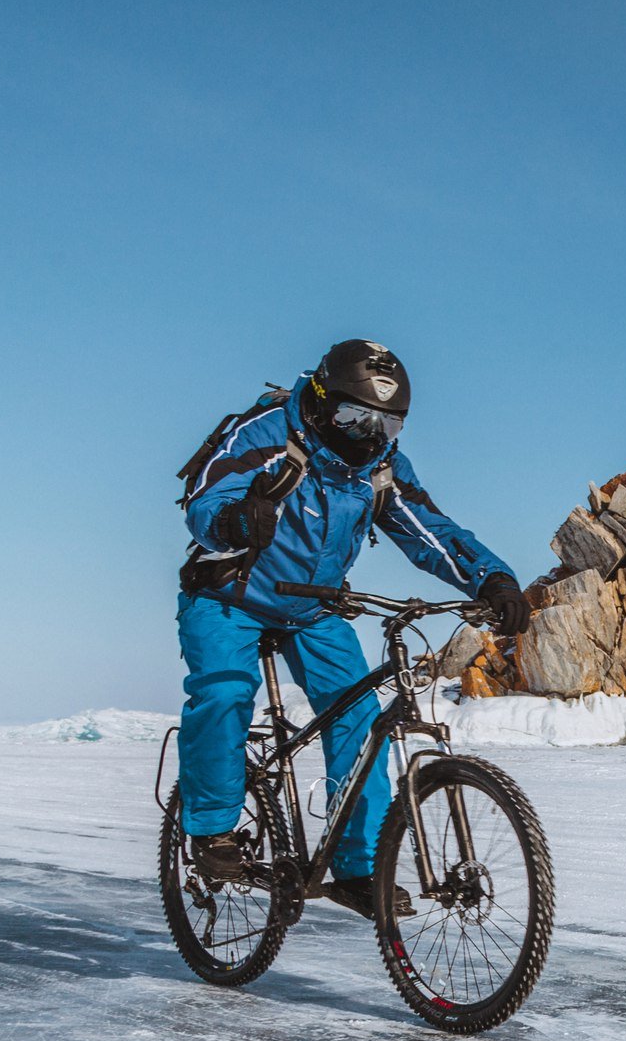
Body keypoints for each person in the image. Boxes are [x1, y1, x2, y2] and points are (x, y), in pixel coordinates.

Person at [173, 339, 531, 915]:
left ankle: (357, 868)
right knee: (224, 691)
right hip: (228, 594)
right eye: (354, 417)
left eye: (385, 425)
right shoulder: (268, 432)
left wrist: (491, 579)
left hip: (312, 608)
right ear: (319, 400)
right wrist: (236, 518)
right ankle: (213, 832)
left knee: (363, 721)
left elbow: (428, 530)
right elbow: (204, 496)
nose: (367, 434)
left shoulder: (377, 468)